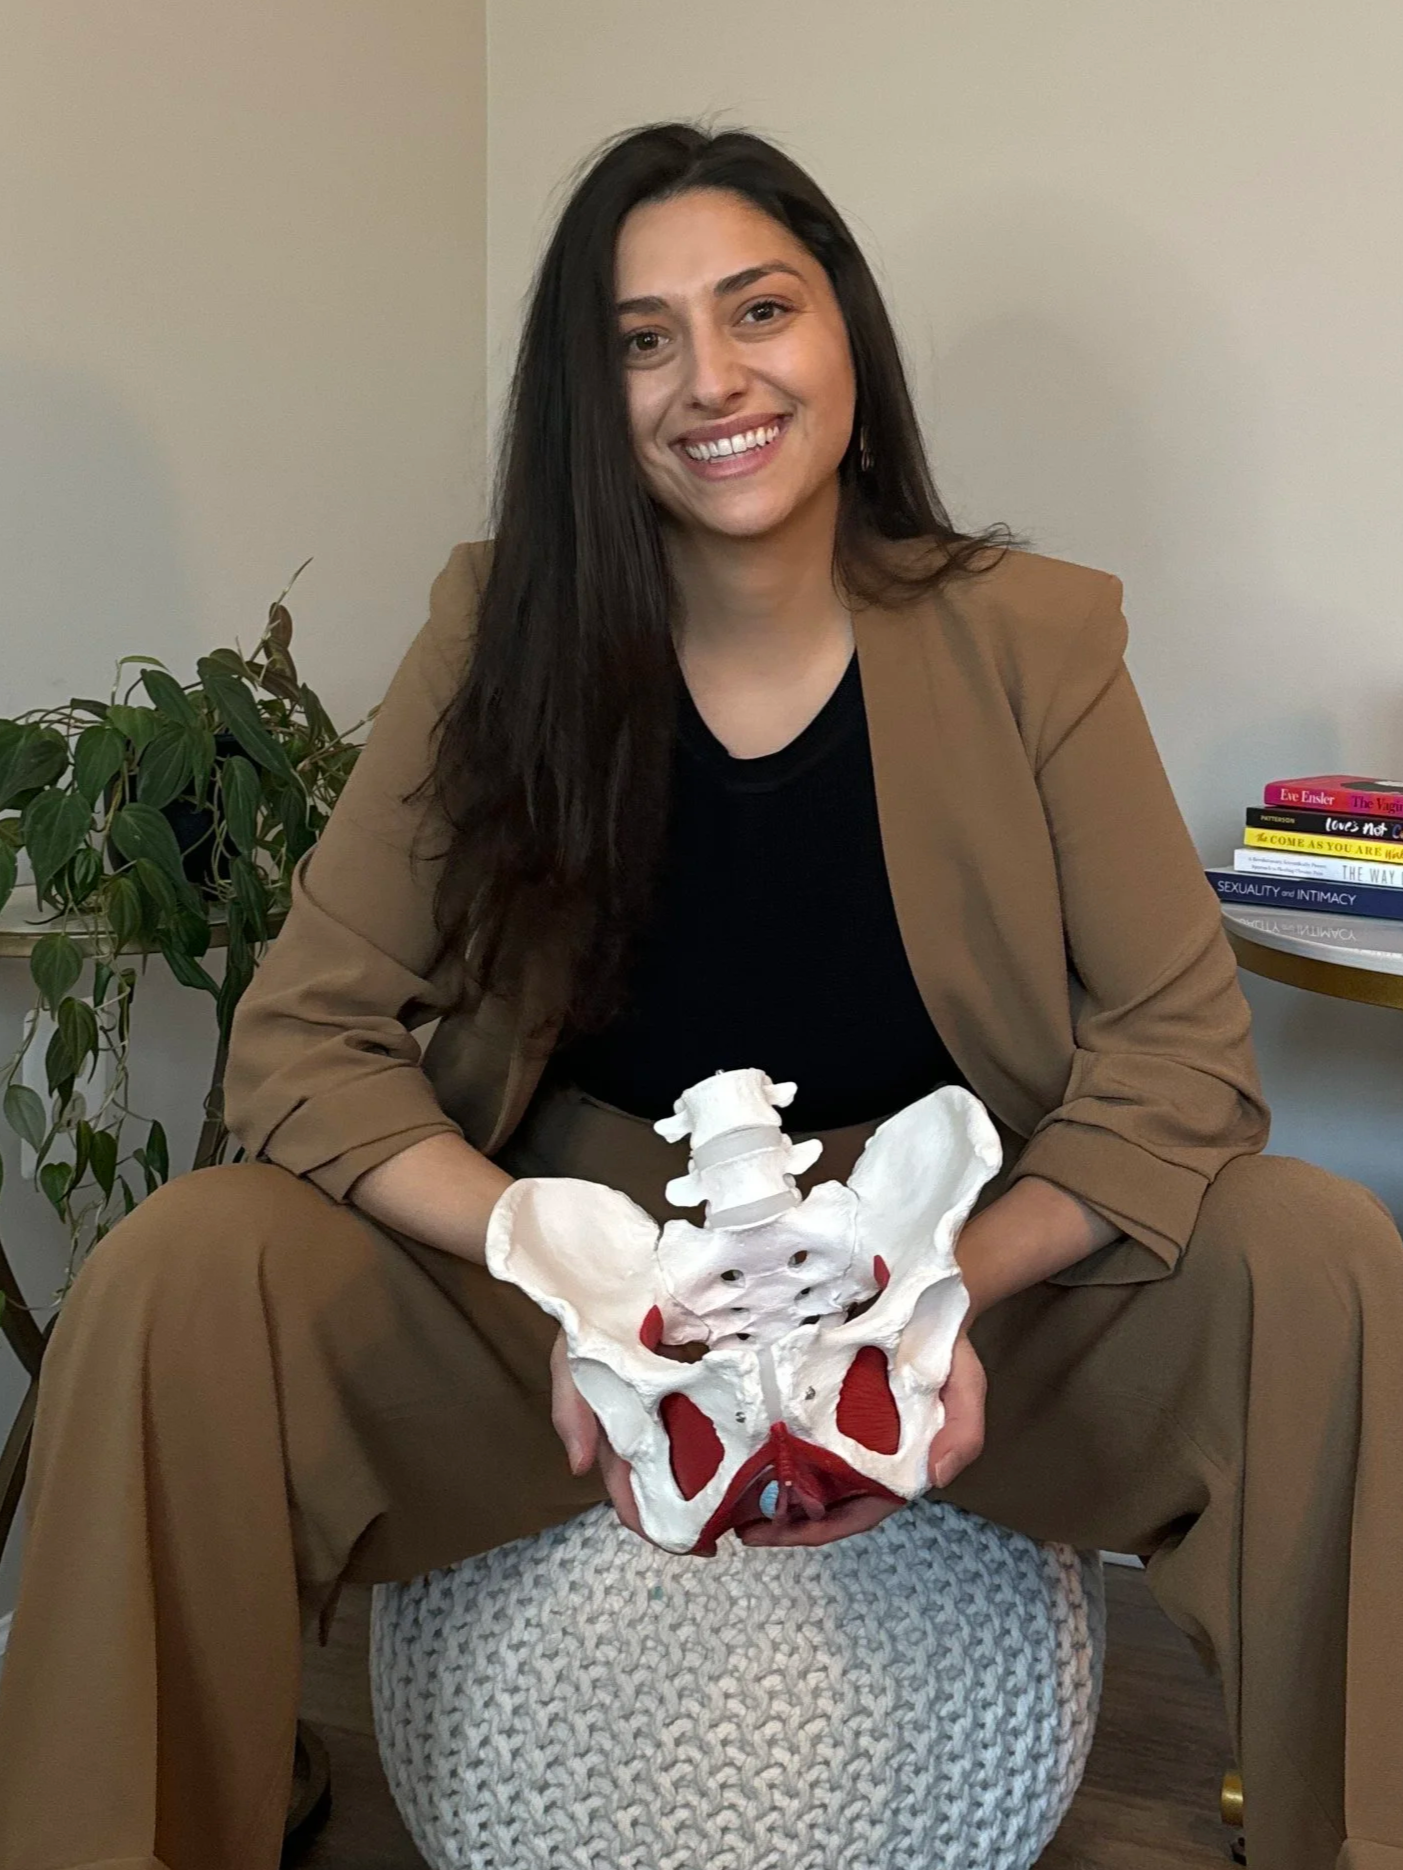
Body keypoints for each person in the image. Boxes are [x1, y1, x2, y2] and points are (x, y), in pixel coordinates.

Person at [0, 120, 1398, 1870]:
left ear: (846, 345)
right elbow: (304, 1036)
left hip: (939, 1270)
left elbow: (1178, 1053)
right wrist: (567, 1274)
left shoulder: (1033, 638)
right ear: (593, 399)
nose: (708, 377)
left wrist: (935, 1292)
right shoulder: (493, 634)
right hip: (594, 1273)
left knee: (1317, 1260)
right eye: (640, 339)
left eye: (758, 311)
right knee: (174, 1277)